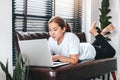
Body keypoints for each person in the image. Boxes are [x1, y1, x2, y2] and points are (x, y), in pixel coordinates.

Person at [48, 16, 116, 64]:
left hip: (89, 50)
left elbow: (74, 60)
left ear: (63, 29)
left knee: (111, 52)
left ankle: (94, 32)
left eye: (55, 29)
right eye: (50, 30)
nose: (52, 33)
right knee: (92, 46)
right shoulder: (51, 40)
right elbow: (48, 56)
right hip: (83, 48)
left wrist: (59, 57)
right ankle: (103, 32)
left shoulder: (71, 37)